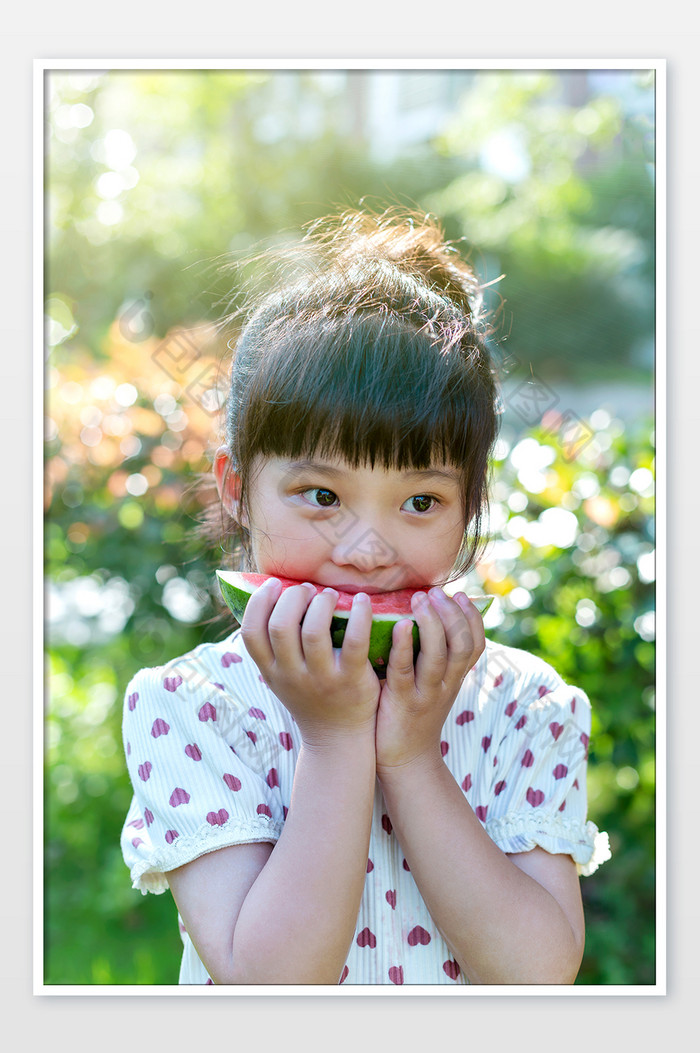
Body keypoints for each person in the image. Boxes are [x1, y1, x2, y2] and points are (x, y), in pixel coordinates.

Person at [120, 207, 609, 986]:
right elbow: (270, 983)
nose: (367, 549)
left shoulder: (524, 705)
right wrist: (335, 741)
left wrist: (414, 756)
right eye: (320, 493)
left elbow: (538, 972)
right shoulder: (194, 707)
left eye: (420, 502)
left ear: (469, 510)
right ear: (238, 490)